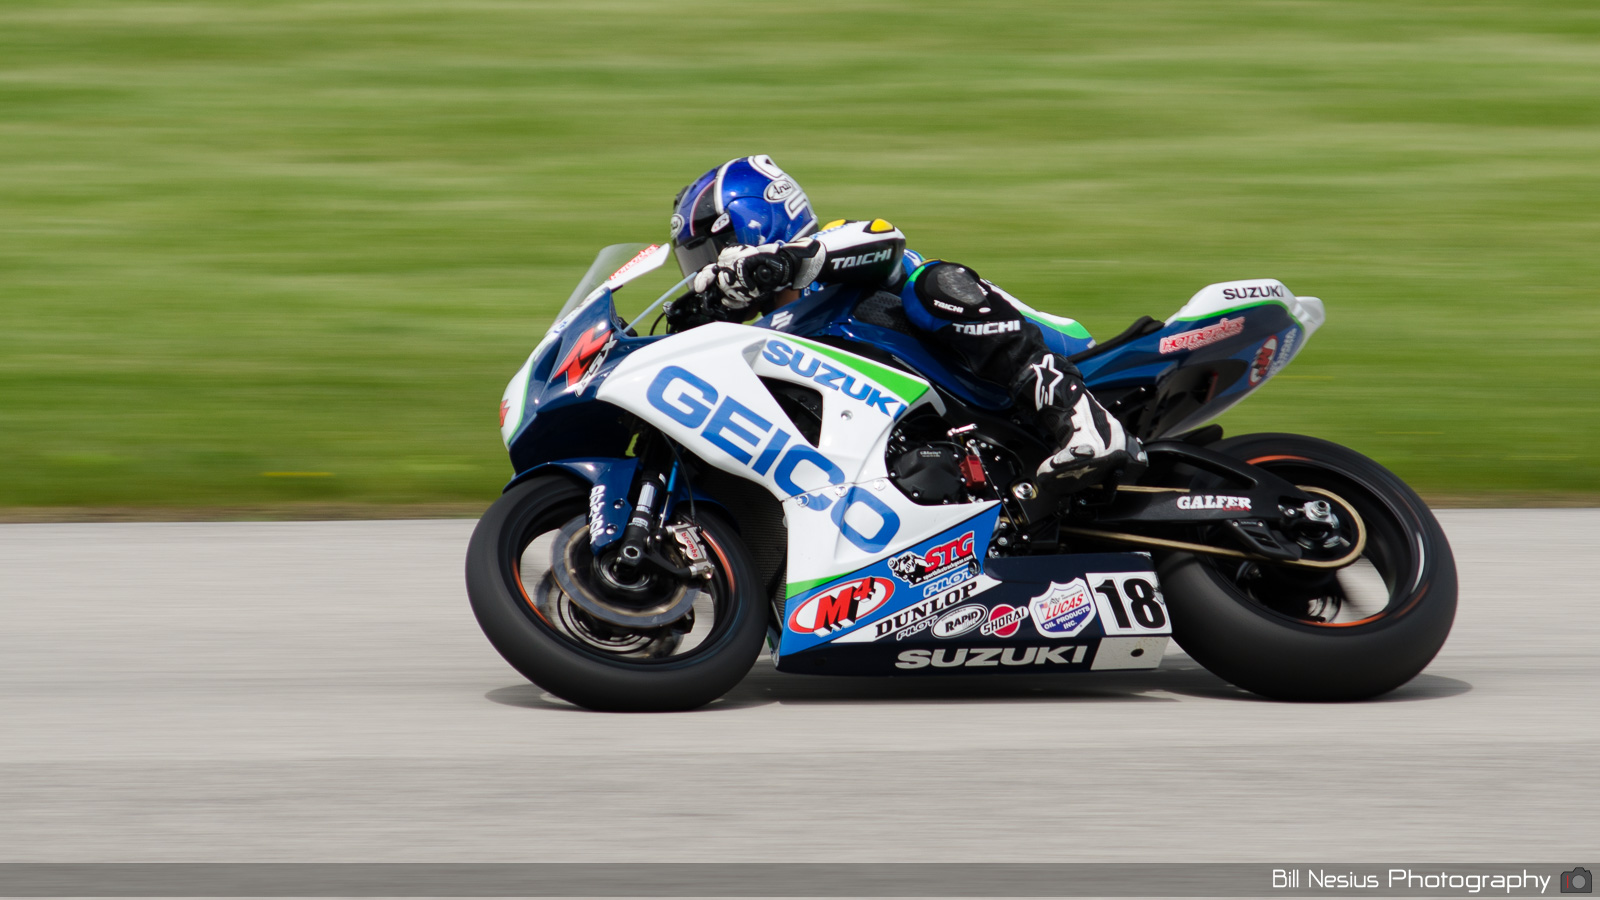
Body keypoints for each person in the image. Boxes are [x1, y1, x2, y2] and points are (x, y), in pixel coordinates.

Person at [667, 155, 1143, 488]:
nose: (707, 274)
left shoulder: (832, 249)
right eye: (695, 266)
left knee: (931, 284)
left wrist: (780, 262)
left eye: (709, 255)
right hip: (967, 435)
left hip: (1065, 358)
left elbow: (886, 238)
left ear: (752, 226)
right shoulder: (770, 332)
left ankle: (1084, 419)